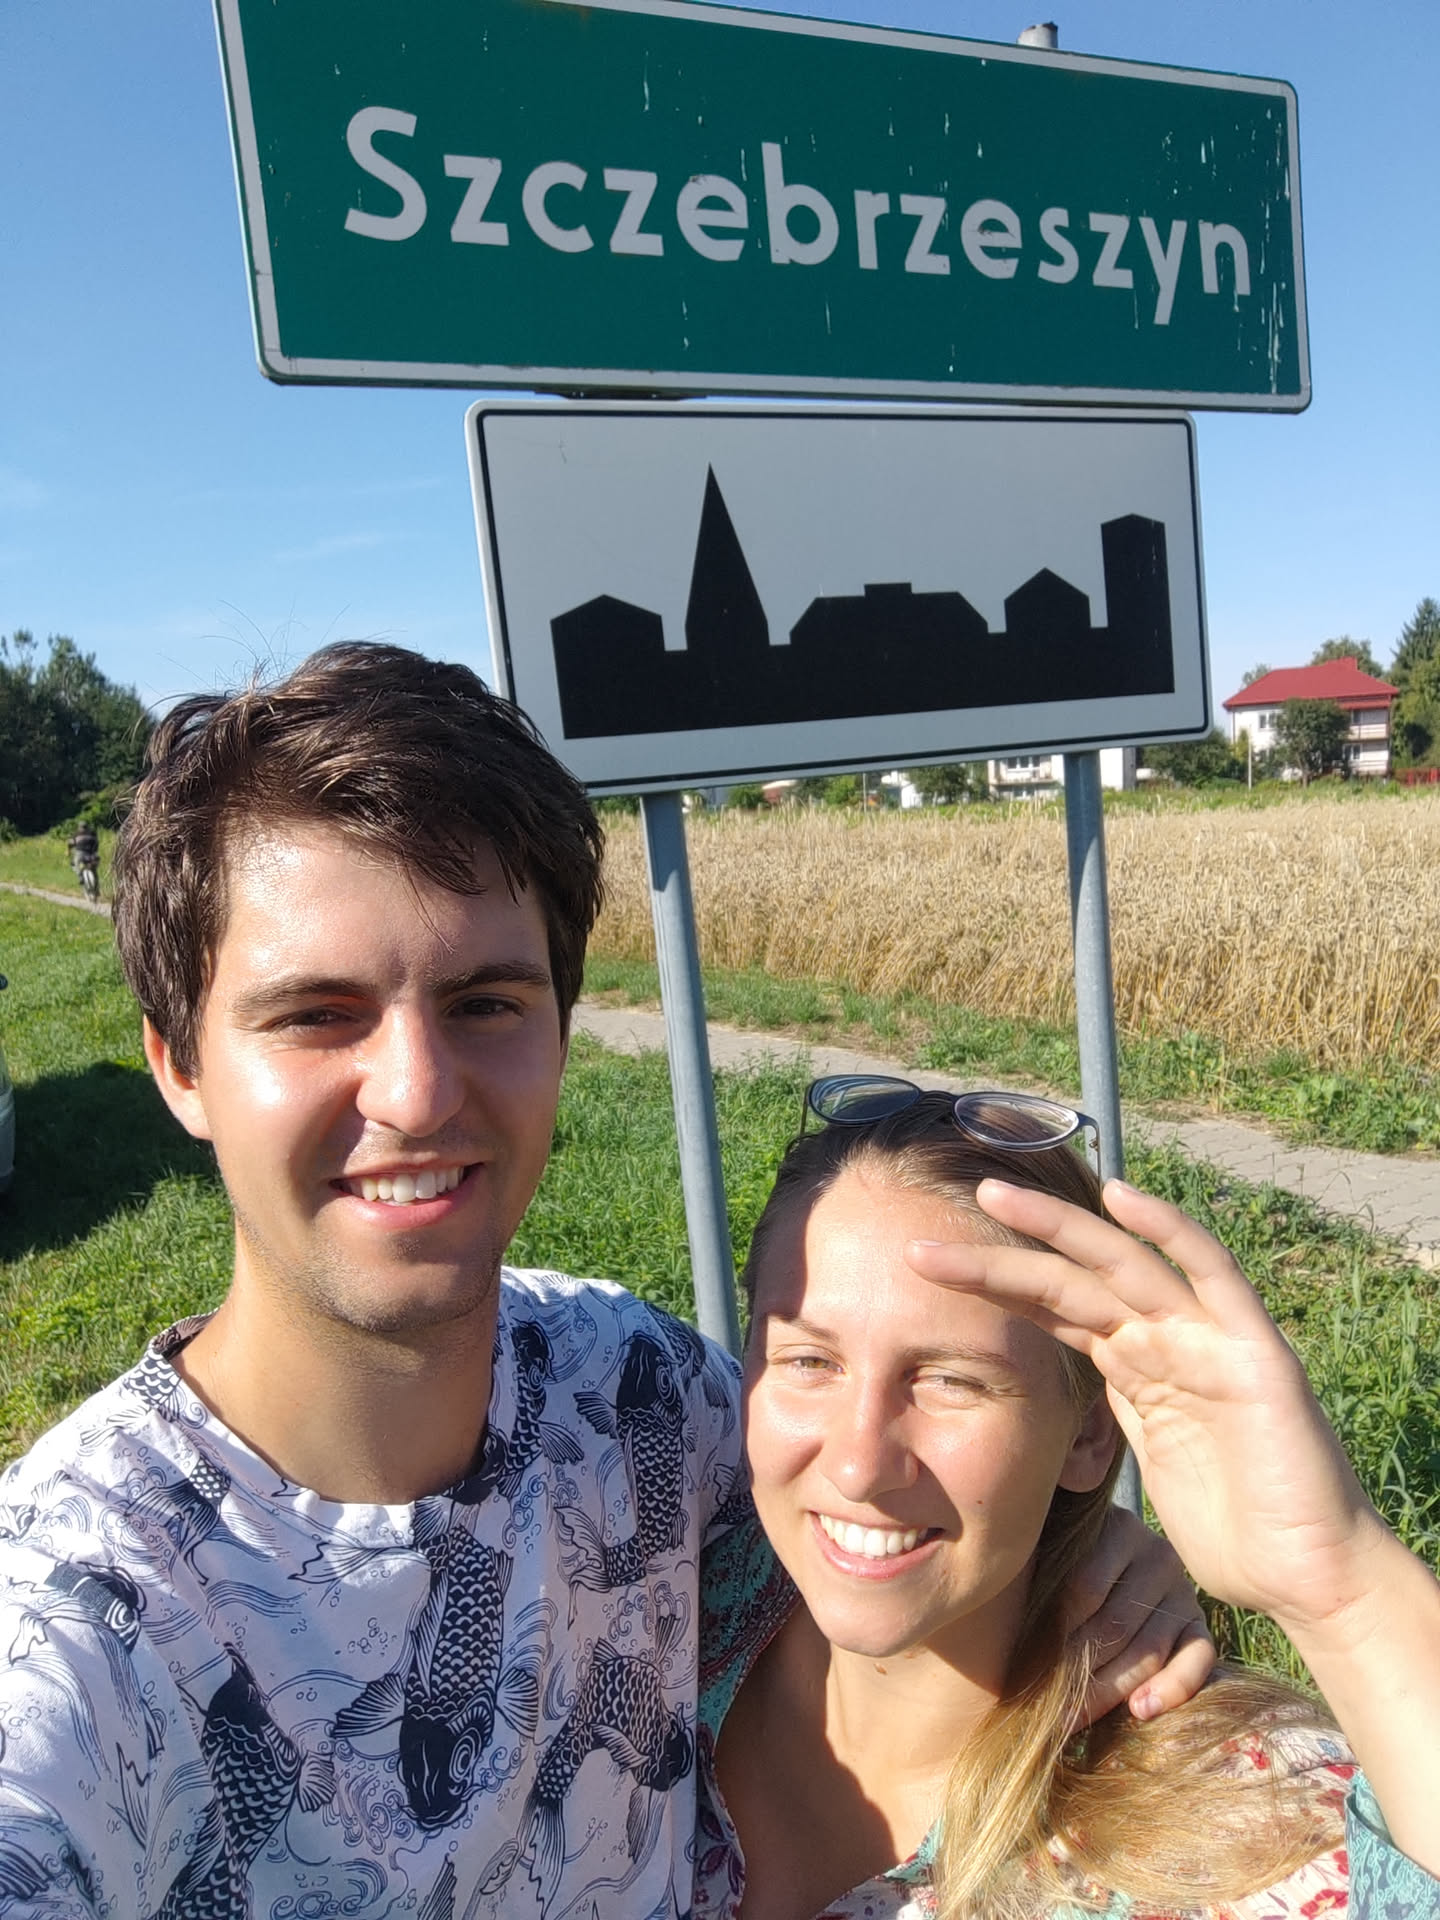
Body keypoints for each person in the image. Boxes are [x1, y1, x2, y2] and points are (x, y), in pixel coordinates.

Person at [0, 646, 1206, 1918]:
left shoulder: (634, 1391)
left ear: (562, 1032)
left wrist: (1093, 1552)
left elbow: (881, 1494)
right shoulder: (74, 1628)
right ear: (179, 1066)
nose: (416, 1092)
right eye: (317, 1015)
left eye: (484, 1003)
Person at [695, 1080, 1440, 1919]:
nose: (859, 1466)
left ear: (1088, 1434)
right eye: (808, 1361)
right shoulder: (654, 1607)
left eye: (950, 1380)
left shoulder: (1229, 1828)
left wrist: (1344, 1594)